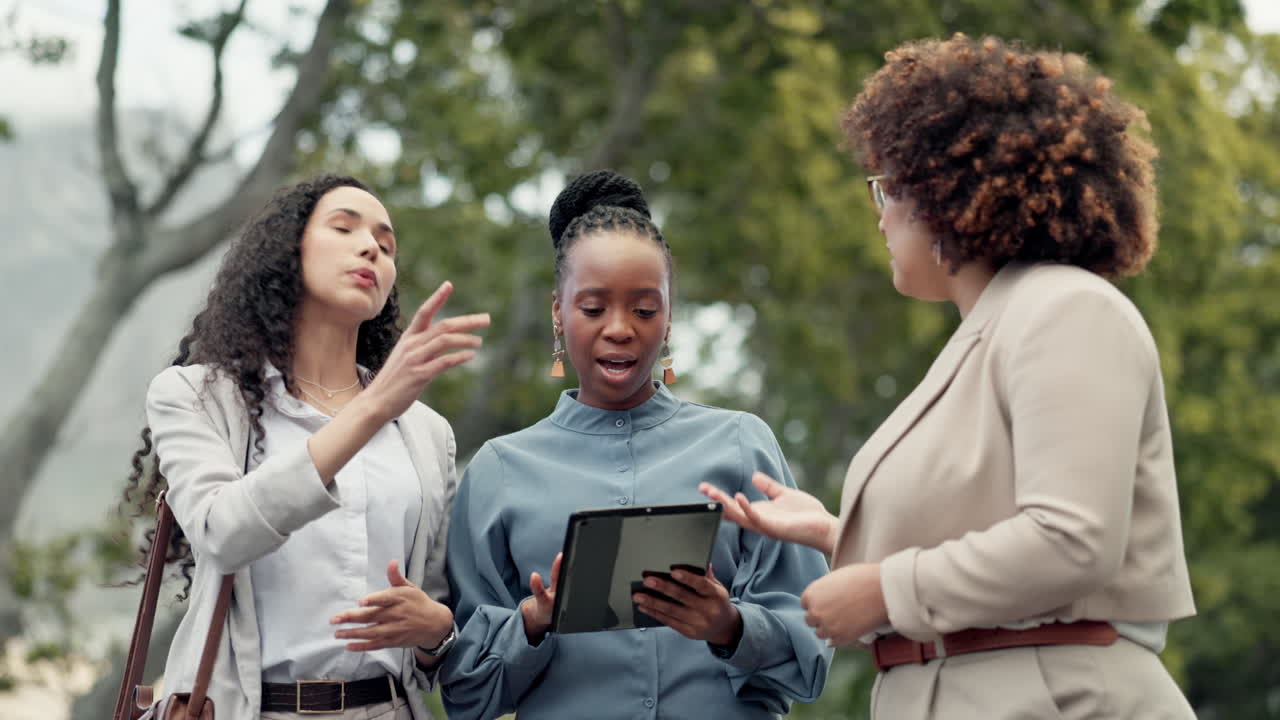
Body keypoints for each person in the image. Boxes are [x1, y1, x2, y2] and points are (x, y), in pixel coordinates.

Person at [701, 34, 1197, 719]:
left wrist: (882, 590)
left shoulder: (1066, 309)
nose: (879, 213)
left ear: (945, 192)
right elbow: (987, 526)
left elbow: (1072, 540)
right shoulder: (996, 329)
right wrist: (831, 533)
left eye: (889, 187)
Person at [440, 170, 831, 719]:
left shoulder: (742, 444)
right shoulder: (498, 471)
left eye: (645, 310)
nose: (620, 328)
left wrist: (730, 625)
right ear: (559, 312)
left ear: (669, 316)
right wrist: (533, 621)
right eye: (594, 308)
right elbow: (464, 692)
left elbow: (811, 656)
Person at [120, 174, 490, 719]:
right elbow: (222, 533)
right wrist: (369, 410)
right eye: (344, 228)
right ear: (286, 252)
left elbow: (432, 628)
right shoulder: (197, 396)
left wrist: (437, 631)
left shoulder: (426, 433)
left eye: (386, 246)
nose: (371, 247)